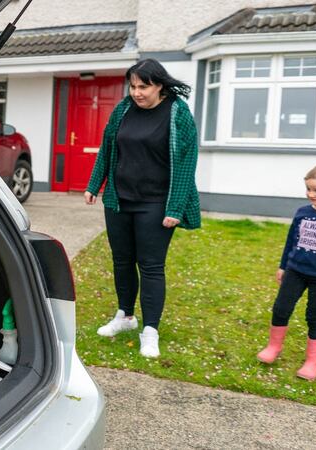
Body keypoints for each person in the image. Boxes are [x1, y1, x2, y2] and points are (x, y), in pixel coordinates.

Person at [84, 58, 200, 358]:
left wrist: (175, 207)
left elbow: (187, 162)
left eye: (143, 87)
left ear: (159, 85)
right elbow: (108, 147)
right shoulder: (123, 109)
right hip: (119, 200)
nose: (136, 92)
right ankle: (125, 316)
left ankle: (150, 330)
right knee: (122, 260)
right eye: (133, 86)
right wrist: (94, 185)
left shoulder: (177, 113)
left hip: (156, 203)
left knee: (150, 266)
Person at [256, 164, 316, 380]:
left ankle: (312, 362)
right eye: (308, 189)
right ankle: (273, 347)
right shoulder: (302, 212)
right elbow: (291, 240)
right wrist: (283, 266)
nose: (311, 194)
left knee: (315, 316)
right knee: (281, 308)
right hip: (295, 271)